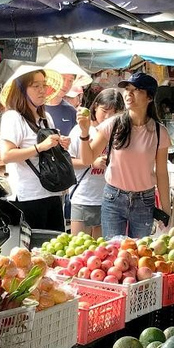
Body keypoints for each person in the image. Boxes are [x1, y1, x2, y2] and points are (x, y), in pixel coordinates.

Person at [77, 72, 171, 239]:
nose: (129, 94)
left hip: (145, 200)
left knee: (141, 253)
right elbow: (87, 159)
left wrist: (166, 209)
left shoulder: (159, 132)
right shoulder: (113, 124)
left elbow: (162, 174)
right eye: (127, 89)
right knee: (112, 253)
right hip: (114, 197)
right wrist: (84, 133)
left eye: (136, 90)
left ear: (149, 97)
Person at [0, 67, 70, 231]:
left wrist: (60, 145)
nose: (42, 90)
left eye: (43, 85)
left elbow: (49, 152)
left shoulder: (46, 118)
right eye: (35, 86)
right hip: (27, 196)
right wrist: (40, 147)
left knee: (53, 248)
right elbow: (7, 155)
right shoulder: (13, 117)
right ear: (22, 90)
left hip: (52, 192)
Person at [68, 88, 124, 238]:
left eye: (114, 113)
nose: (108, 117)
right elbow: (68, 161)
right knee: (79, 248)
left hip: (108, 200)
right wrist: (92, 163)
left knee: (102, 252)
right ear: (95, 106)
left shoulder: (120, 134)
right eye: (104, 110)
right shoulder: (80, 131)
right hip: (83, 198)